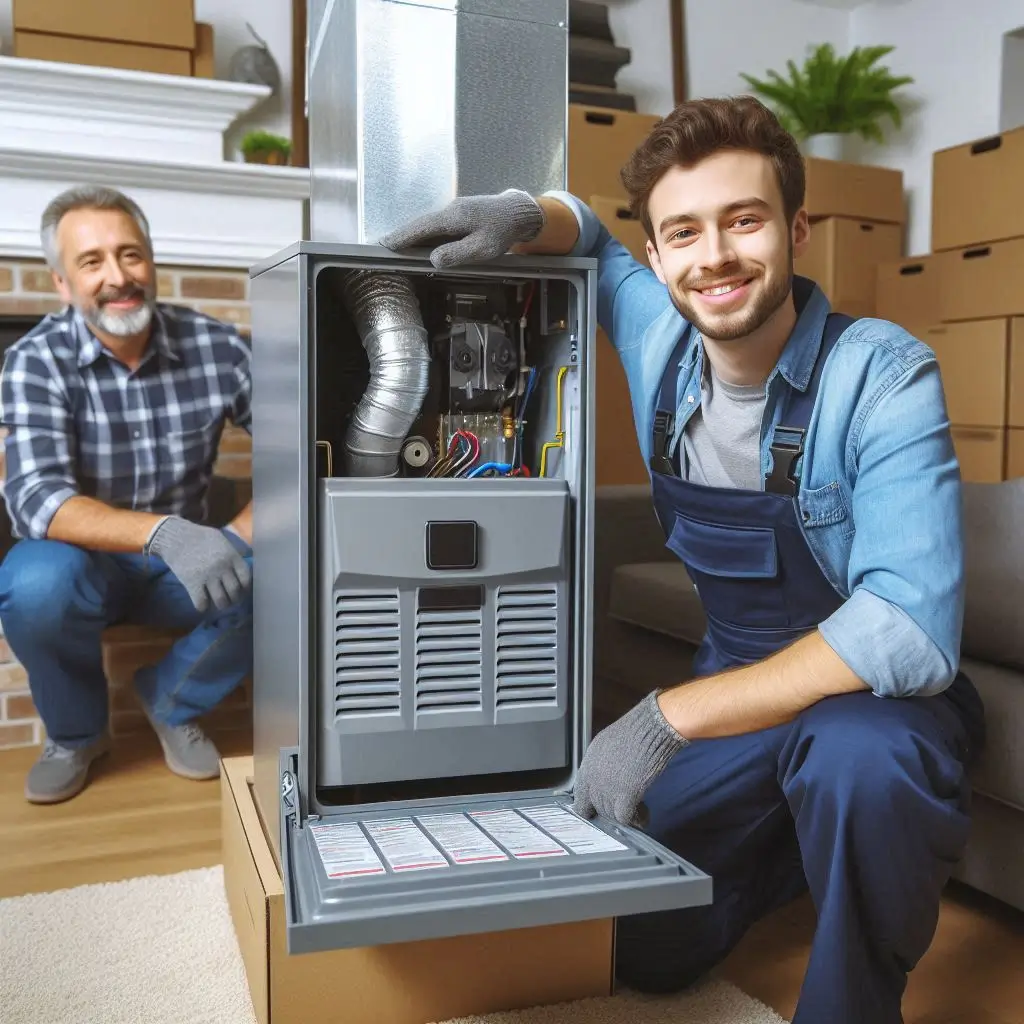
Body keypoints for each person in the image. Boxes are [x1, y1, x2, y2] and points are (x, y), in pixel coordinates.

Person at [381, 96, 986, 1024]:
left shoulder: (885, 374)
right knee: (650, 951)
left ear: (797, 229)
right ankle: (793, 838)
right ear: (661, 256)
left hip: (876, 710)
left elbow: (908, 628)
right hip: (742, 689)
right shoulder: (662, 340)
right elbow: (587, 233)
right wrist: (520, 209)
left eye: (745, 221)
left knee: (856, 765)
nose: (717, 257)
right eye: (685, 233)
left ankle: (860, 993)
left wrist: (663, 719)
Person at [0, 185, 254, 805]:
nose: (118, 277)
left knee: (295, 564)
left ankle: (172, 699)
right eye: (92, 262)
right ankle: (77, 736)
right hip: (83, 565)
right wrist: (163, 533)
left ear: (152, 261)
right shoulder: (34, 361)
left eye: (131, 254)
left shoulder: (220, 348)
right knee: (33, 585)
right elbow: (34, 497)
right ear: (62, 284)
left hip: (185, 567)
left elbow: (297, 455)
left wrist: (231, 539)